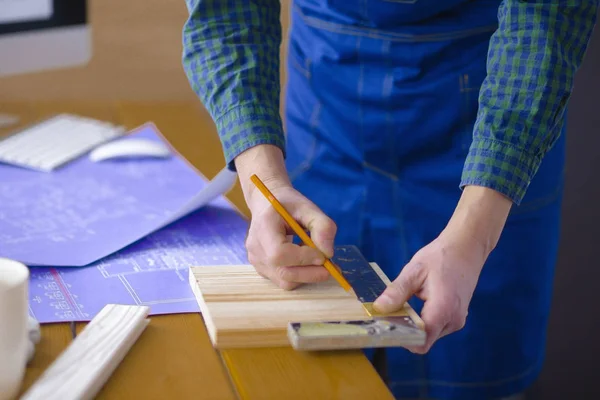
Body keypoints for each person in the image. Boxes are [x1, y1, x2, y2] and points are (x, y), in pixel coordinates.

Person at [181, 1, 598, 399]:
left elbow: (543, 20)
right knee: (320, 376)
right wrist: (264, 184)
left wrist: (474, 235)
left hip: (490, 127)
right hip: (327, 115)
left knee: (474, 368)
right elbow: (226, 11)